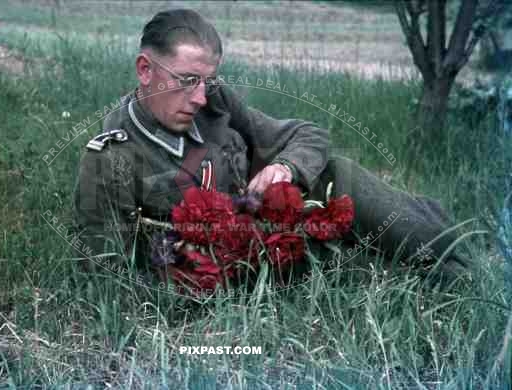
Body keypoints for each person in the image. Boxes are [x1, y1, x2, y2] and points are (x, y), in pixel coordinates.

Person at [73, 9, 472, 289]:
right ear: (146, 70)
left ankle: (452, 249)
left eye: (207, 81)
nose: (198, 97)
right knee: (371, 268)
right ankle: (437, 257)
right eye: (187, 79)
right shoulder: (111, 158)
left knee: (335, 172)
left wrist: (284, 168)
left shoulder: (215, 102)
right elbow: (106, 273)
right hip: (233, 272)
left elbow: (309, 135)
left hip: (275, 237)